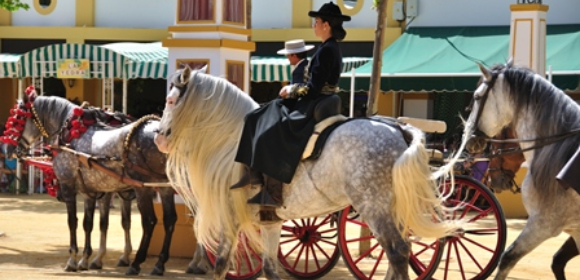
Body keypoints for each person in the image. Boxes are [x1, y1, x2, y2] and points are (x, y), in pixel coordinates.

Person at [231, 1, 350, 213]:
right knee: (257, 116)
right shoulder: (329, 48)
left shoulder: (326, 51)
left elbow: (313, 89)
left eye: (316, 21)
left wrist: (291, 91)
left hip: (312, 103)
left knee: (270, 126)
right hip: (316, 101)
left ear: (326, 24)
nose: (314, 25)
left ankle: (273, 190)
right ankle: (254, 174)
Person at [277, 39, 314, 110]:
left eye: (287, 55)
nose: (287, 57)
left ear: (294, 55)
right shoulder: (308, 64)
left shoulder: (299, 70)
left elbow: (296, 94)